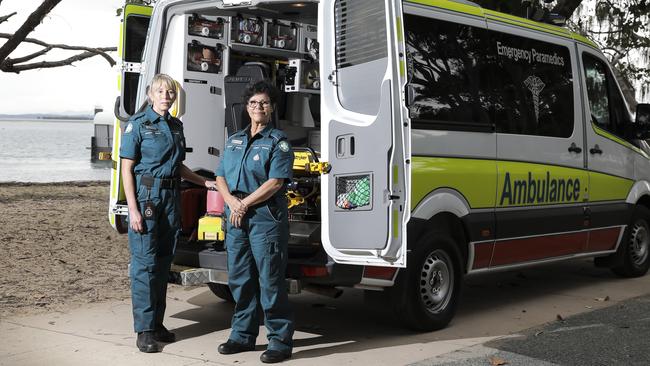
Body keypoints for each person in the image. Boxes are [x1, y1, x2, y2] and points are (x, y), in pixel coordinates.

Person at [120, 73, 218, 353]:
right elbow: (127, 169)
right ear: (151, 95)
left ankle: (157, 324)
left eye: (170, 91)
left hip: (171, 197)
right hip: (147, 198)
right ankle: (144, 330)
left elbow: (178, 166)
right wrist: (133, 209)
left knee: (163, 264)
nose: (166, 95)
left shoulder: (176, 126)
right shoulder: (137, 125)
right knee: (145, 266)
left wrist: (204, 182)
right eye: (160, 91)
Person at [215, 80, 295, 363]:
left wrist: (245, 203)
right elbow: (220, 176)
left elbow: (275, 182)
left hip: (265, 219)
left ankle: (280, 342)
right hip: (236, 217)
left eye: (263, 103)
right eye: (253, 103)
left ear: (271, 108)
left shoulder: (278, 142)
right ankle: (242, 336)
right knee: (240, 280)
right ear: (246, 108)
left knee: (271, 281)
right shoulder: (234, 139)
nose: (258, 107)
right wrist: (232, 202)